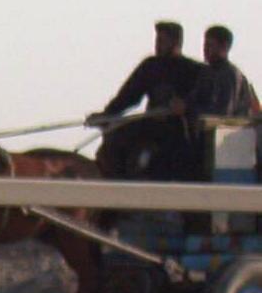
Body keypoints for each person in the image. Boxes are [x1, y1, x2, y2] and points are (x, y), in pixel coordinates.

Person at [87, 22, 205, 180]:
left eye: (162, 41)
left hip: (178, 130)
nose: (157, 45)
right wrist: (107, 115)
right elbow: (128, 96)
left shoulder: (194, 70)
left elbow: (201, 101)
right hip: (151, 125)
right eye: (157, 40)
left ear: (176, 42)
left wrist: (185, 107)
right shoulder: (150, 66)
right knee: (116, 138)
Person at [187, 25, 260, 118]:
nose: (205, 49)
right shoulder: (206, 72)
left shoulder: (229, 74)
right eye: (205, 45)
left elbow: (223, 113)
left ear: (224, 47)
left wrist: (188, 109)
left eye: (210, 45)